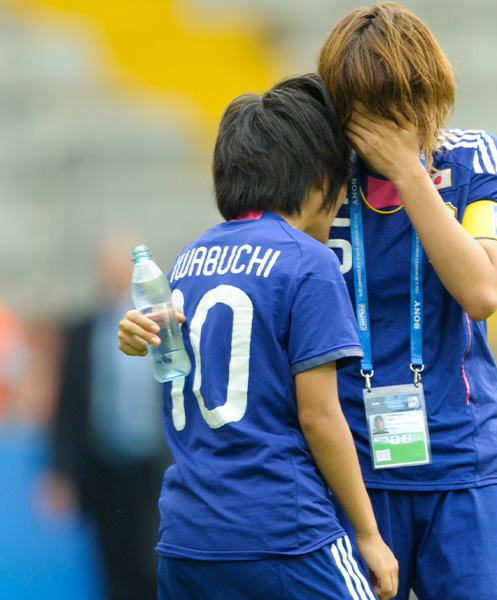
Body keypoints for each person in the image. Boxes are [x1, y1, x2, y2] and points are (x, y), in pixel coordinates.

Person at [120, 5, 497, 599]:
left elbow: (483, 292)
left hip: (465, 464)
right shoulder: (320, 172)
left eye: (400, 106)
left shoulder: (472, 159)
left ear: (430, 97)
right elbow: (249, 272)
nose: (385, 126)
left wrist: (410, 174)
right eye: (366, 109)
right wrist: (155, 326)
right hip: (349, 471)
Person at [116, 74, 397, 600]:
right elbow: (319, 416)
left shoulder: (187, 261)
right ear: (319, 177)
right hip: (283, 534)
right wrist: (368, 533)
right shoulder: (308, 261)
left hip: (185, 540)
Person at [47, 232, 171, 600]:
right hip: (103, 468)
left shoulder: (162, 324)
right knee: (111, 568)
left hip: (152, 469)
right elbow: (69, 404)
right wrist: (61, 469)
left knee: (150, 564)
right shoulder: (83, 329)